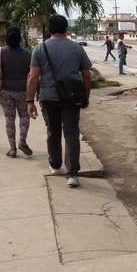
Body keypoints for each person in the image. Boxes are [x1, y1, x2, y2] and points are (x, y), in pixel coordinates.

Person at [26, 14, 92, 188]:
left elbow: (33, 77)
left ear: (49, 30)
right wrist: (86, 96)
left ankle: (55, 166)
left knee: (52, 132)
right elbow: (86, 75)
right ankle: (72, 174)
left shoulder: (39, 49)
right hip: (71, 98)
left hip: (48, 99)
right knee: (71, 133)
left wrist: (30, 101)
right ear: (66, 29)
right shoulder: (77, 48)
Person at [0, 26, 33, 158]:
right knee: (24, 117)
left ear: (6, 39)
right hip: (23, 91)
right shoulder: (27, 54)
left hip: (4, 91)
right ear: (20, 40)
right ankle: (22, 141)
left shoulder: (0, 52)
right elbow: (32, 75)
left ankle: (12, 149)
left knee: (9, 118)